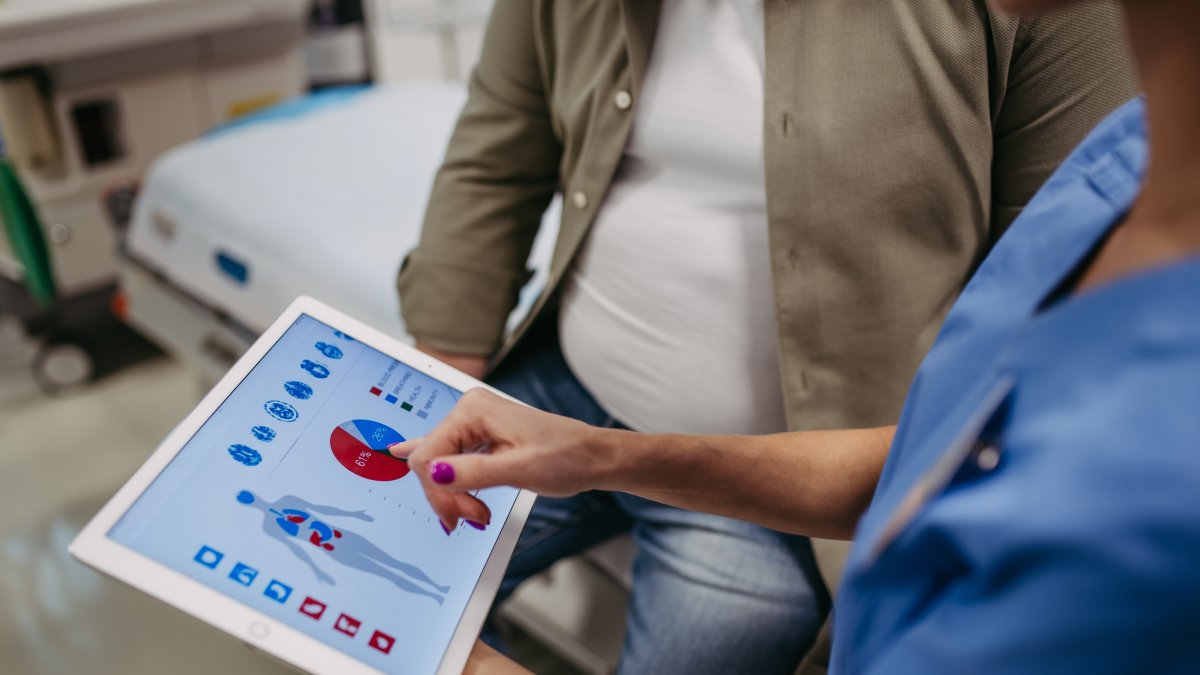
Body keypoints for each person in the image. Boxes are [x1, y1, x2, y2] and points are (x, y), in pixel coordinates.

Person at [392, 0, 1200, 670]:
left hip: (786, 478)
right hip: (570, 402)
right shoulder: (1122, 169)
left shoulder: (1132, 458)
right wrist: (540, 427)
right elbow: (499, 141)